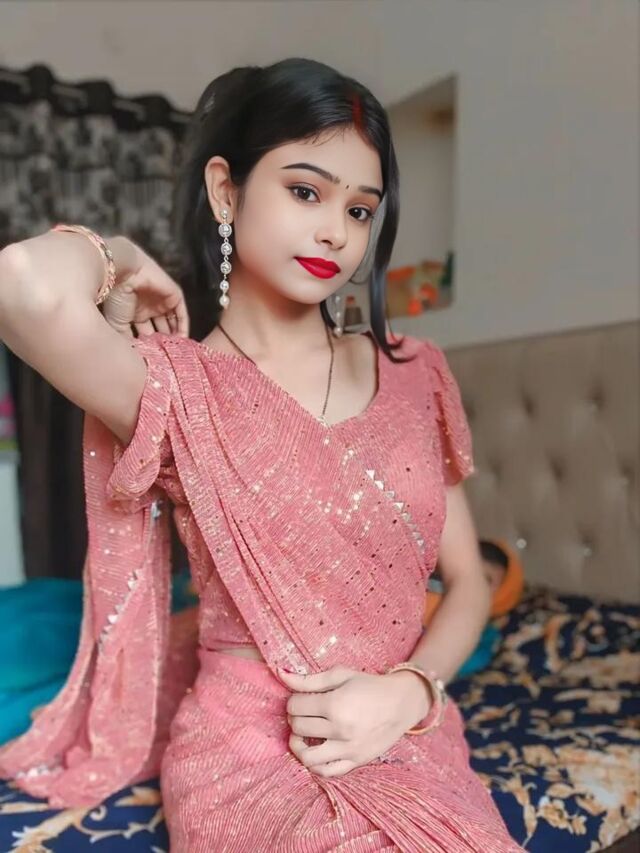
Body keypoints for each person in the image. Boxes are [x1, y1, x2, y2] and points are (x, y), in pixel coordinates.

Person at [0, 58, 523, 852]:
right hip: (250, 752)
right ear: (225, 191)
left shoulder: (417, 374)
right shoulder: (174, 387)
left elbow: (468, 580)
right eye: (306, 191)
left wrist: (412, 690)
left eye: (359, 208)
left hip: (404, 732)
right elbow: (22, 284)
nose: (335, 231)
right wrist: (121, 257)